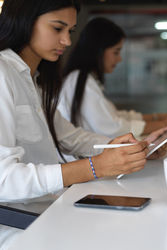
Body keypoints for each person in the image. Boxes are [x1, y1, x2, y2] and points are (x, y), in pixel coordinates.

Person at [0, 1, 153, 248]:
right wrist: (94, 167)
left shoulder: (34, 79)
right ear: (24, 21)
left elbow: (70, 137)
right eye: (57, 28)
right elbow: (3, 180)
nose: (66, 41)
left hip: (52, 208)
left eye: (69, 31)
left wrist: (116, 148)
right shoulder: (2, 74)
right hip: (20, 225)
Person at [58, 17, 167, 139]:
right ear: (98, 50)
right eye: (116, 52)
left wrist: (159, 117)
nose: (119, 59)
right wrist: (164, 124)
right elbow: (112, 128)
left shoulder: (83, 79)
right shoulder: (81, 81)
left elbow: (115, 117)